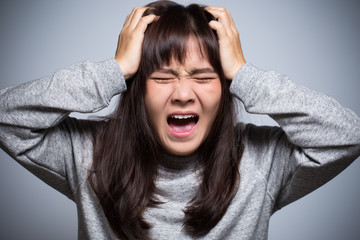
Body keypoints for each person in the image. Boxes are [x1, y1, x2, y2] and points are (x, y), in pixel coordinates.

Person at [0, 1, 359, 239]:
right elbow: (6, 117)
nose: (183, 93)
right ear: (136, 88)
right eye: (162, 77)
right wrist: (113, 71)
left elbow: (347, 135)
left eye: (203, 78)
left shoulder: (261, 161)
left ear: (226, 87)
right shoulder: (88, 154)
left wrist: (246, 76)